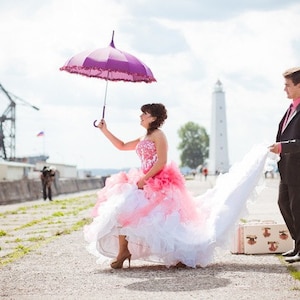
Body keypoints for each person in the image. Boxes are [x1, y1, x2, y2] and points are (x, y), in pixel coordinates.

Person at [84, 103, 269, 269]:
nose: (140, 116)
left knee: (165, 220)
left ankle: (180, 253)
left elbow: (161, 162)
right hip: (143, 180)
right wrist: (104, 130)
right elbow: (122, 145)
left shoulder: (158, 135)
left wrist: (145, 179)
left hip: (157, 181)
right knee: (123, 210)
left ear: (154, 118)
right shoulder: (143, 136)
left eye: (144, 114)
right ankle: (123, 251)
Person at [269, 66, 300, 263]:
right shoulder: (291, 108)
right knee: (284, 205)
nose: (284, 89)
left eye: (287, 85)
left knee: (298, 209)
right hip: (287, 169)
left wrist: (282, 147)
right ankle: (298, 245)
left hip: (298, 169)